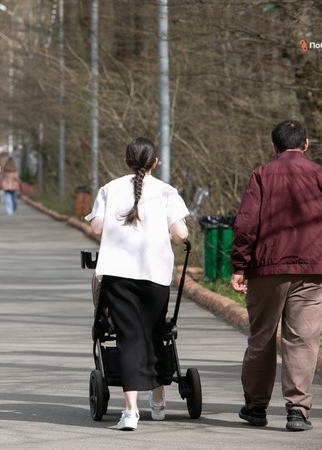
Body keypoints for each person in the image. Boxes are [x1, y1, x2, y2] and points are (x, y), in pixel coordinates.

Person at [229, 120, 322, 432]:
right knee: (302, 341)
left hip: (267, 268)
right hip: (312, 270)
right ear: (306, 144)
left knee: (261, 336)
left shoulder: (261, 175)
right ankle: (297, 411)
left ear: (274, 146)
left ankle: (255, 408)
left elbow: (246, 224)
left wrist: (239, 266)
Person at [85, 137, 189, 431]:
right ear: (155, 162)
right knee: (155, 332)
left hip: (118, 273)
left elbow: (96, 226)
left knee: (128, 337)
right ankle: (157, 402)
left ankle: (130, 411)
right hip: (155, 274)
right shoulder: (167, 192)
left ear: (126, 161)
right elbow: (180, 234)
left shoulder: (110, 188)